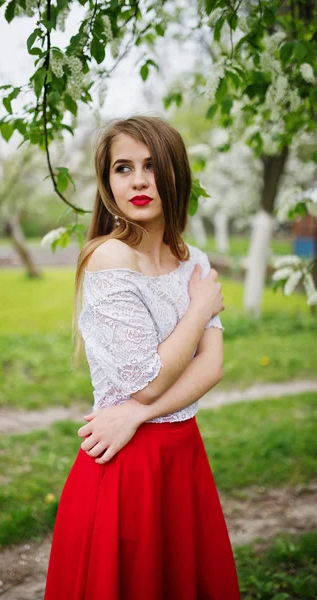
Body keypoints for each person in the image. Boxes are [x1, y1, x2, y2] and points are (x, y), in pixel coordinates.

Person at [43, 115, 241, 599]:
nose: (138, 181)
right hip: (126, 468)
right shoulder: (109, 258)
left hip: (183, 458)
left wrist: (137, 413)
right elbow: (147, 380)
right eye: (122, 168)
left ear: (175, 172)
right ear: (107, 183)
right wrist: (199, 308)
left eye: (151, 166)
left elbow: (211, 367)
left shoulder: (194, 260)